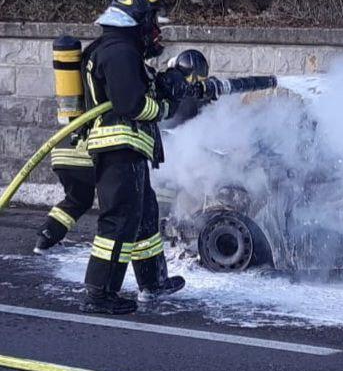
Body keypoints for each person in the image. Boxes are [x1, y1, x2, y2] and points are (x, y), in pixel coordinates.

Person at [79, 0, 190, 315]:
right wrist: (166, 108)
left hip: (129, 148)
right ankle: (100, 293)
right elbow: (130, 104)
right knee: (119, 222)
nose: (155, 29)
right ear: (138, 17)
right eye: (152, 20)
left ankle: (153, 282)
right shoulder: (119, 51)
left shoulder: (121, 50)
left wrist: (164, 87)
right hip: (117, 147)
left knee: (143, 218)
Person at [32, 49, 212, 255]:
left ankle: (44, 238)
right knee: (137, 203)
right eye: (196, 80)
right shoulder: (165, 90)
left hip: (65, 149)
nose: (195, 87)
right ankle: (138, 250)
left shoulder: (130, 81)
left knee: (76, 200)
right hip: (95, 153)